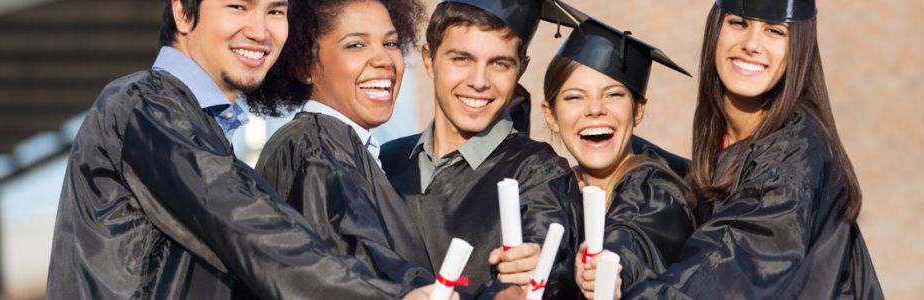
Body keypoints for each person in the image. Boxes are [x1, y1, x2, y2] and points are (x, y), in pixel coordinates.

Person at [46, 0, 438, 298]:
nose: (260, 30)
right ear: (183, 12)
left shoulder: (201, 125)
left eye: (275, 11)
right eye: (238, 6)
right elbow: (245, 223)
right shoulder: (142, 103)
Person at [621, 0, 884, 298]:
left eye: (774, 31)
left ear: (798, 48)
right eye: (738, 23)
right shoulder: (743, 136)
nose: (751, 44)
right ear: (716, 30)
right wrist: (616, 158)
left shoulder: (793, 156)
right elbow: (704, 188)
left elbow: (719, 274)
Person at [379, 0, 582, 297]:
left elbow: (541, 247)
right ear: (428, 59)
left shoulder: (539, 172)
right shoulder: (384, 162)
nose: (478, 82)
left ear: (521, 69)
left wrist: (533, 269)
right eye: (462, 59)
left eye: (499, 64)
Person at [246, 0, 436, 291]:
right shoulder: (315, 152)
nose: (384, 59)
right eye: (356, 45)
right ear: (304, 64)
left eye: (391, 43)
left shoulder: (342, 146)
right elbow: (354, 279)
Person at [539, 16, 697, 299]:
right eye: (575, 97)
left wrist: (611, 267)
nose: (595, 109)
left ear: (638, 110)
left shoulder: (657, 192)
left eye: (613, 94)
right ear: (550, 115)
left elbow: (633, 240)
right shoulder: (551, 191)